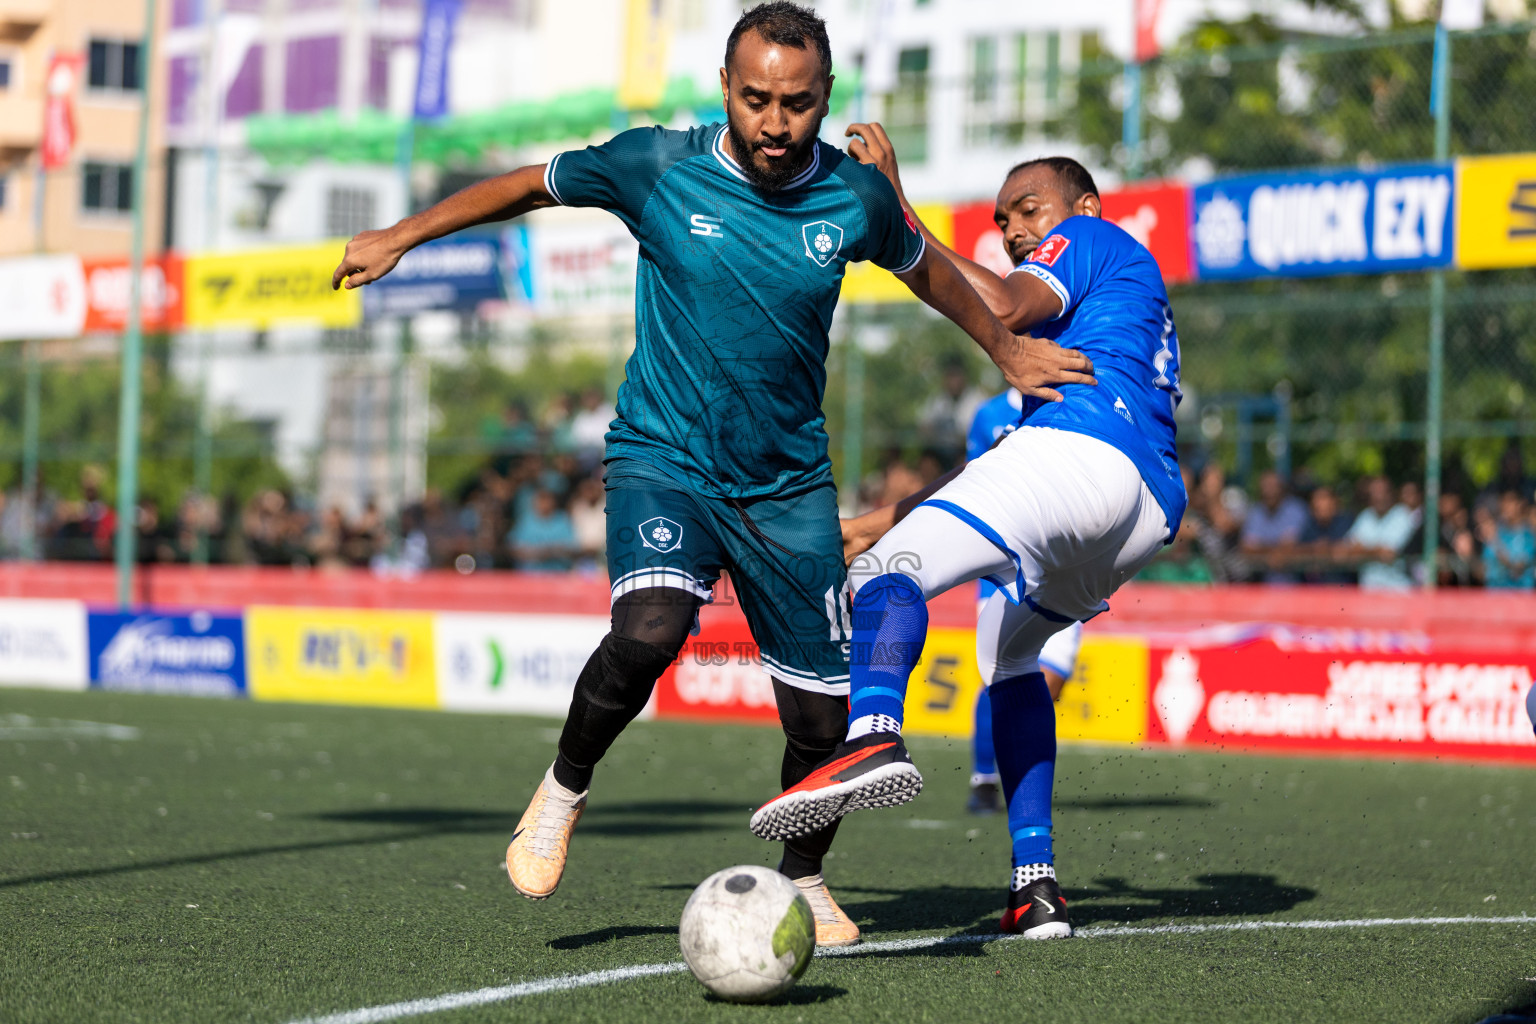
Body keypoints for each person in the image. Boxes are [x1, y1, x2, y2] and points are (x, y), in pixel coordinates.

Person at [333, 1, 1090, 948]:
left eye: (799, 104)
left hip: (786, 488)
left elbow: (928, 274)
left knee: (824, 725)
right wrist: (403, 235)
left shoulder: (852, 198)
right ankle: (562, 792)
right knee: (650, 630)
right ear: (726, 89)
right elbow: (530, 186)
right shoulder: (658, 165)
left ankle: (804, 881)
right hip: (665, 456)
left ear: (826, 99)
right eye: (759, 99)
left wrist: (1005, 353)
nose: (777, 124)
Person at [752, 129, 1184, 943]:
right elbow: (1000, 458)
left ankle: (873, 736)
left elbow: (998, 304)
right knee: (1012, 659)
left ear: (1082, 209)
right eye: (1002, 218)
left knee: (890, 573)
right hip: (1144, 508)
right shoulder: (1091, 328)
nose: (1015, 228)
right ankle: (1036, 885)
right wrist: (874, 521)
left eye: (1030, 209)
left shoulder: (1087, 238)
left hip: (1089, 461)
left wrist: (898, 209)